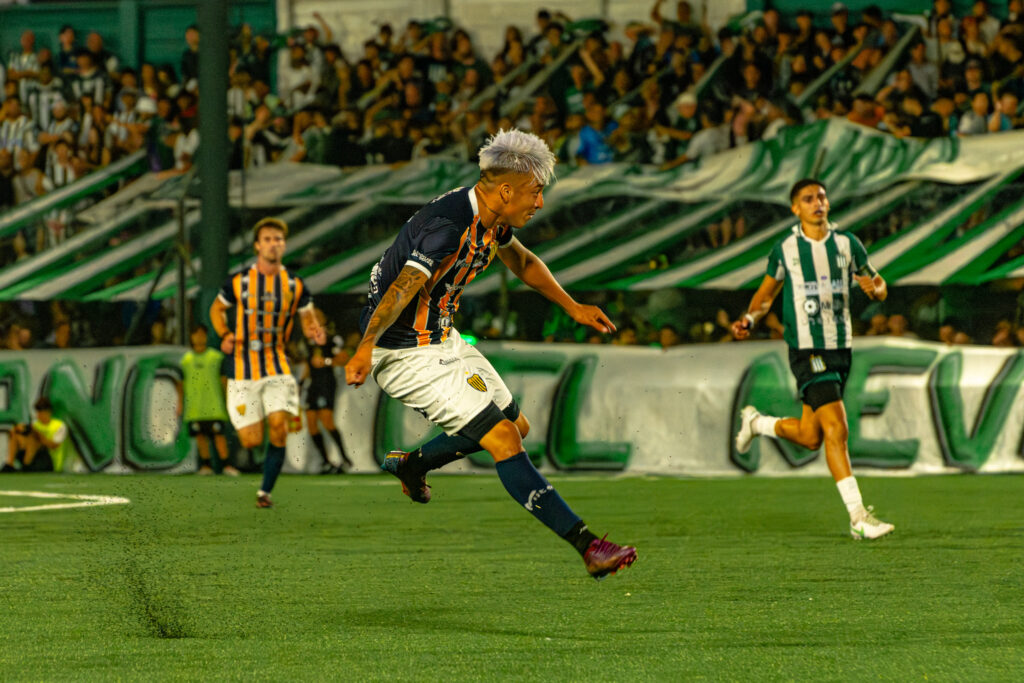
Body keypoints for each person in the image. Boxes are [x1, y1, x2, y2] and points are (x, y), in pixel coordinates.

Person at [345, 129, 637, 580]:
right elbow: (402, 287)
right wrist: (364, 349)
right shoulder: (448, 227)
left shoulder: (492, 216)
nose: (539, 203)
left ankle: (413, 465)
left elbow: (521, 261)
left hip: (441, 339)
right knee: (504, 438)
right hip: (400, 350)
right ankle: (588, 545)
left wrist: (572, 306)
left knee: (516, 425)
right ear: (505, 190)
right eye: (535, 192)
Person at [732, 178, 895, 541]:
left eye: (821, 196)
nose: (817, 203)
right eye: (808, 199)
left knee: (810, 437)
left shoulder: (848, 244)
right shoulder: (786, 249)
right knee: (837, 429)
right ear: (796, 209)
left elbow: (879, 283)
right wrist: (750, 319)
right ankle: (858, 516)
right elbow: (765, 295)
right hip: (807, 350)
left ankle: (757, 423)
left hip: (841, 348)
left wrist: (876, 287)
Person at [209, 217, 326, 508]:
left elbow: (308, 315)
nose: (275, 244)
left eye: (279, 239)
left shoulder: (295, 284)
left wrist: (314, 330)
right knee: (250, 440)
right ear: (257, 245)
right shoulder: (239, 282)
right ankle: (258, 445)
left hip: (276, 364)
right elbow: (216, 309)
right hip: (242, 366)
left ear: (284, 245)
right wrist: (224, 334)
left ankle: (265, 492)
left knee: (278, 426)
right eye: (269, 239)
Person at [176, 323, 238, 476]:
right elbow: (180, 384)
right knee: (200, 437)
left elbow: (224, 381)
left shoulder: (216, 357)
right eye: (196, 334)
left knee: (219, 436)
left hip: (214, 406)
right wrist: (179, 404)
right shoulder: (186, 360)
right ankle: (206, 466)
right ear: (191, 337)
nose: (199, 337)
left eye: (202, 334)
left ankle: (227, 465)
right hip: (195, 408)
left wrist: (229, 400)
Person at [301, 308, 352, 474]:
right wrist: (301, 381)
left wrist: (326, 361)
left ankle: (345, 459)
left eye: (314, 317)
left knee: (326, 420)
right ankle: (325, 461)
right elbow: (309, 364)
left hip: (326, 381)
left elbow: (344, 358)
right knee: (310, 423)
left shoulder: (331, 338)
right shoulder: (308, 341)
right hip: (313, 384)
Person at [3, 397, 69, 473]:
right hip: (34, 458)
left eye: (41, 412)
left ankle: (26, 465)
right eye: (38, 412)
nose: (39, 415)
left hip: (50, 461)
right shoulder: (35, 424)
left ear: (49, 412)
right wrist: (16, 429)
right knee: (15, 433)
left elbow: (53, 446)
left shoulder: (59, 426)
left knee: (33, 437)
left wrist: (36, 433)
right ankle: (10, 464)